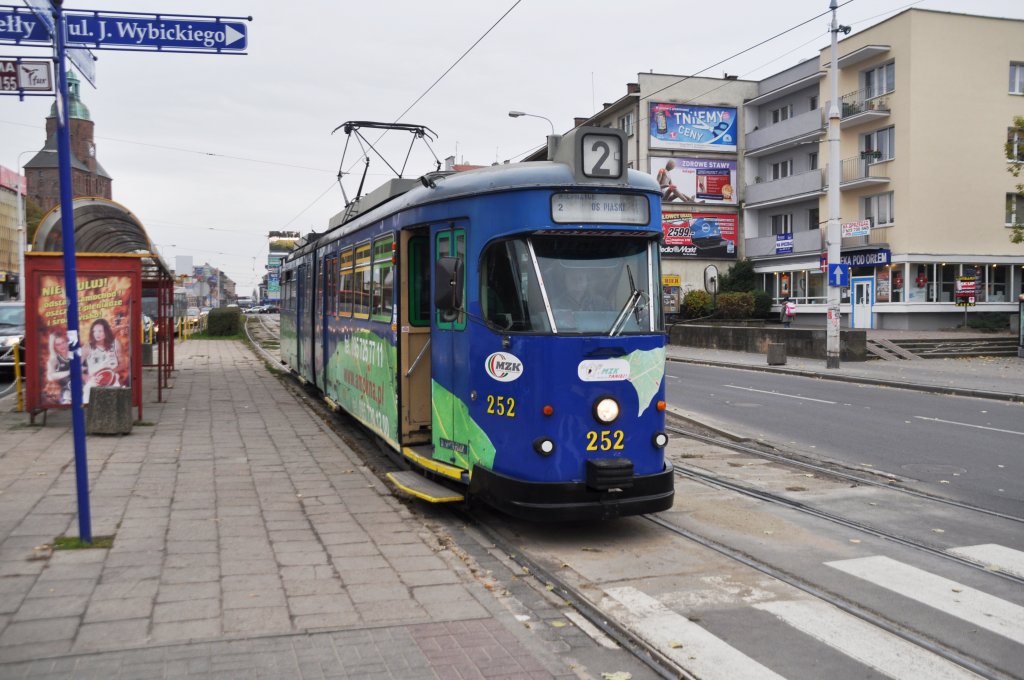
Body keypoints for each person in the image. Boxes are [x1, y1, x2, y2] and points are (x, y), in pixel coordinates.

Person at [82, 318, 121, 402]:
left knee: (114, 406)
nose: (97, 334)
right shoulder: (87, 347)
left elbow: (123, 364)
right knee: (89, 402)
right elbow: (75, 366)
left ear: (106, 331)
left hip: (112, 381)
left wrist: (110, 372)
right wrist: (84, 376)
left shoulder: (115, 344)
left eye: (100, 331)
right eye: (94, 331)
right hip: (94, 382)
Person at [45, 331, 73, 405]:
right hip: (66, 392)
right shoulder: (55, 358)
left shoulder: (75, 353)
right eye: (58, 344)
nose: (61, 346)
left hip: (80, 388)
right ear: (55, 347)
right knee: (66, 399)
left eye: (63, 342)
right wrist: (70, 371)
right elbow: (50, 376)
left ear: (67, 342)